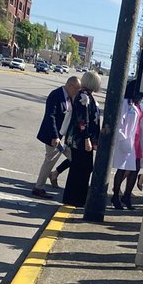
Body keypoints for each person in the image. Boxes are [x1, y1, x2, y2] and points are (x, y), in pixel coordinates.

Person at [32, 74, 80, 199]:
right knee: (50, 160)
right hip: (54, 137)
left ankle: (54, 174)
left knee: (75, 158)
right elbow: (50, 116)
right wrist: (55, 136)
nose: (77, 91)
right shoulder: (56, 95)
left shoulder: (69, 98)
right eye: (76, 88)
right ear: (69, 85)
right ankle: (38, 187)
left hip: (64, 138)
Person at [61, 71, 101, 208]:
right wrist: (87, 139)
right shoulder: (83, 96)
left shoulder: (89, 96)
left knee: (83, 167)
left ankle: (77, 197)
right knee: (80, 168)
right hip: (80, 140)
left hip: (84, 139)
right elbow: (82, 120)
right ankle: (73, 198)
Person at [111, 87, 143, 211]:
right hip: (127, 140)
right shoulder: (125, 103)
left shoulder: (140, 104)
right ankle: (115, 197)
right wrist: (122, 138)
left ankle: (127, 196)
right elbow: (120, 122)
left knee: (135, 170)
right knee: (122, 169)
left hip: (138, 141)